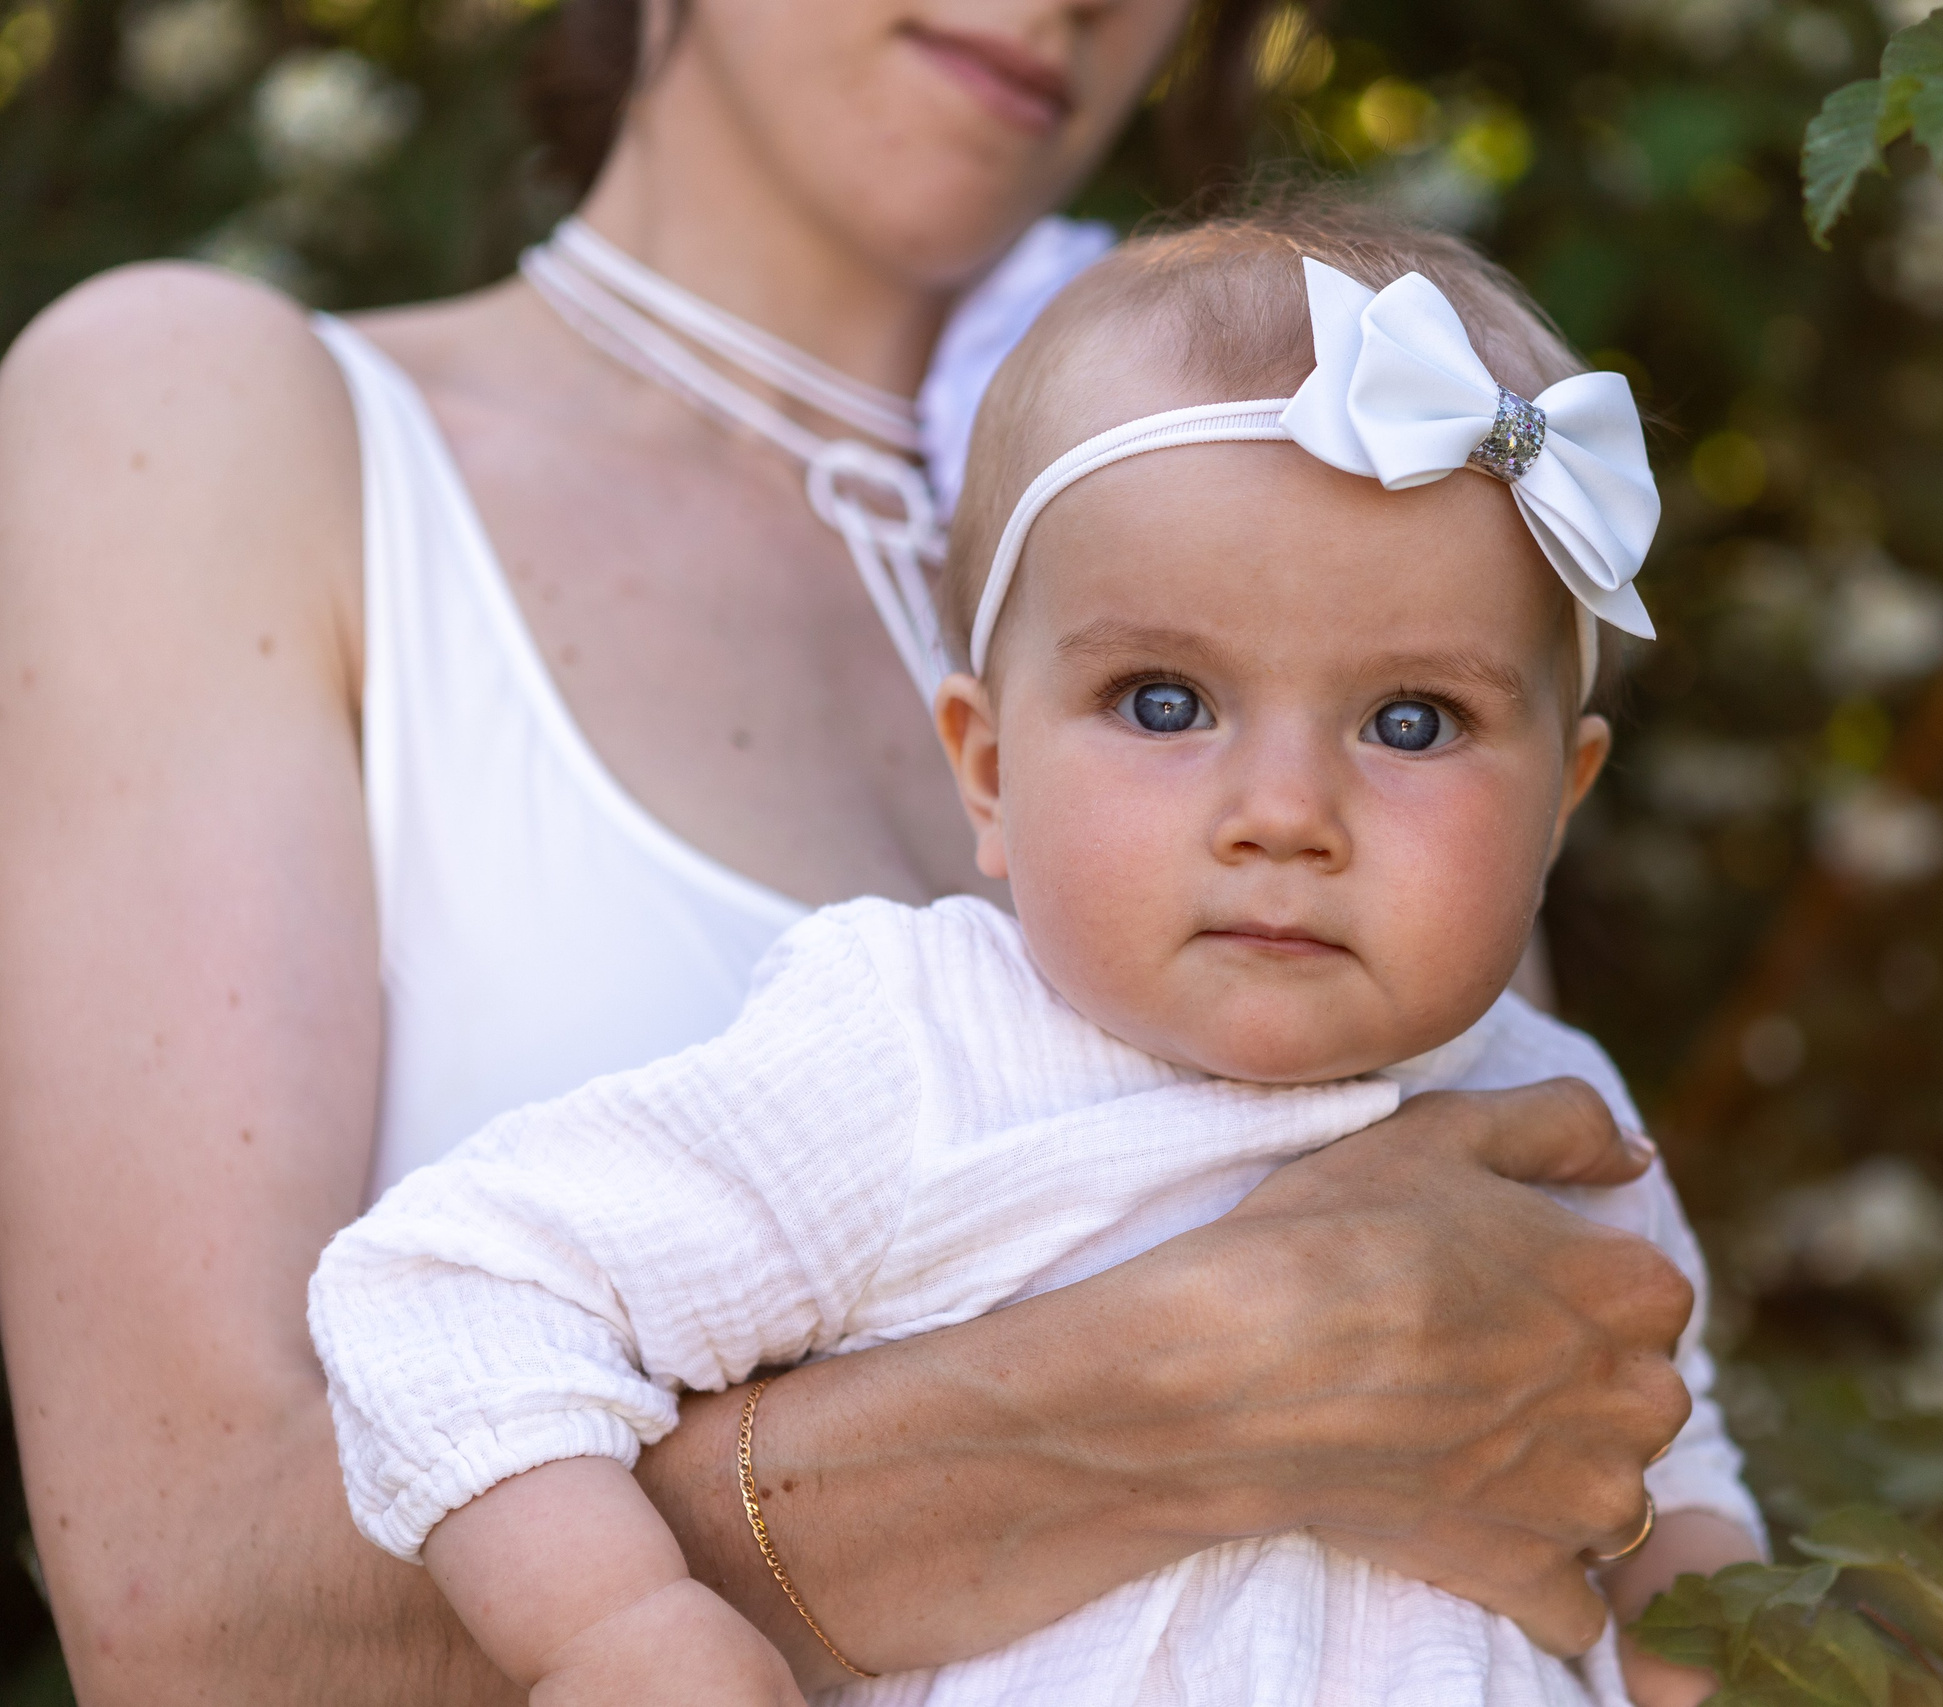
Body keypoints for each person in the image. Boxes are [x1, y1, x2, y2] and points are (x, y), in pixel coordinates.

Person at [0, 0, 1756, 1700]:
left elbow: (1611, 1465)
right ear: (980, 757)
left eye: (1411, 727)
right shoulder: (224, 423)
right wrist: (1207, 1389)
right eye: (1160, 705)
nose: (1283, 811)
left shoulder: (1325, 519)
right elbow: (190, 1631)